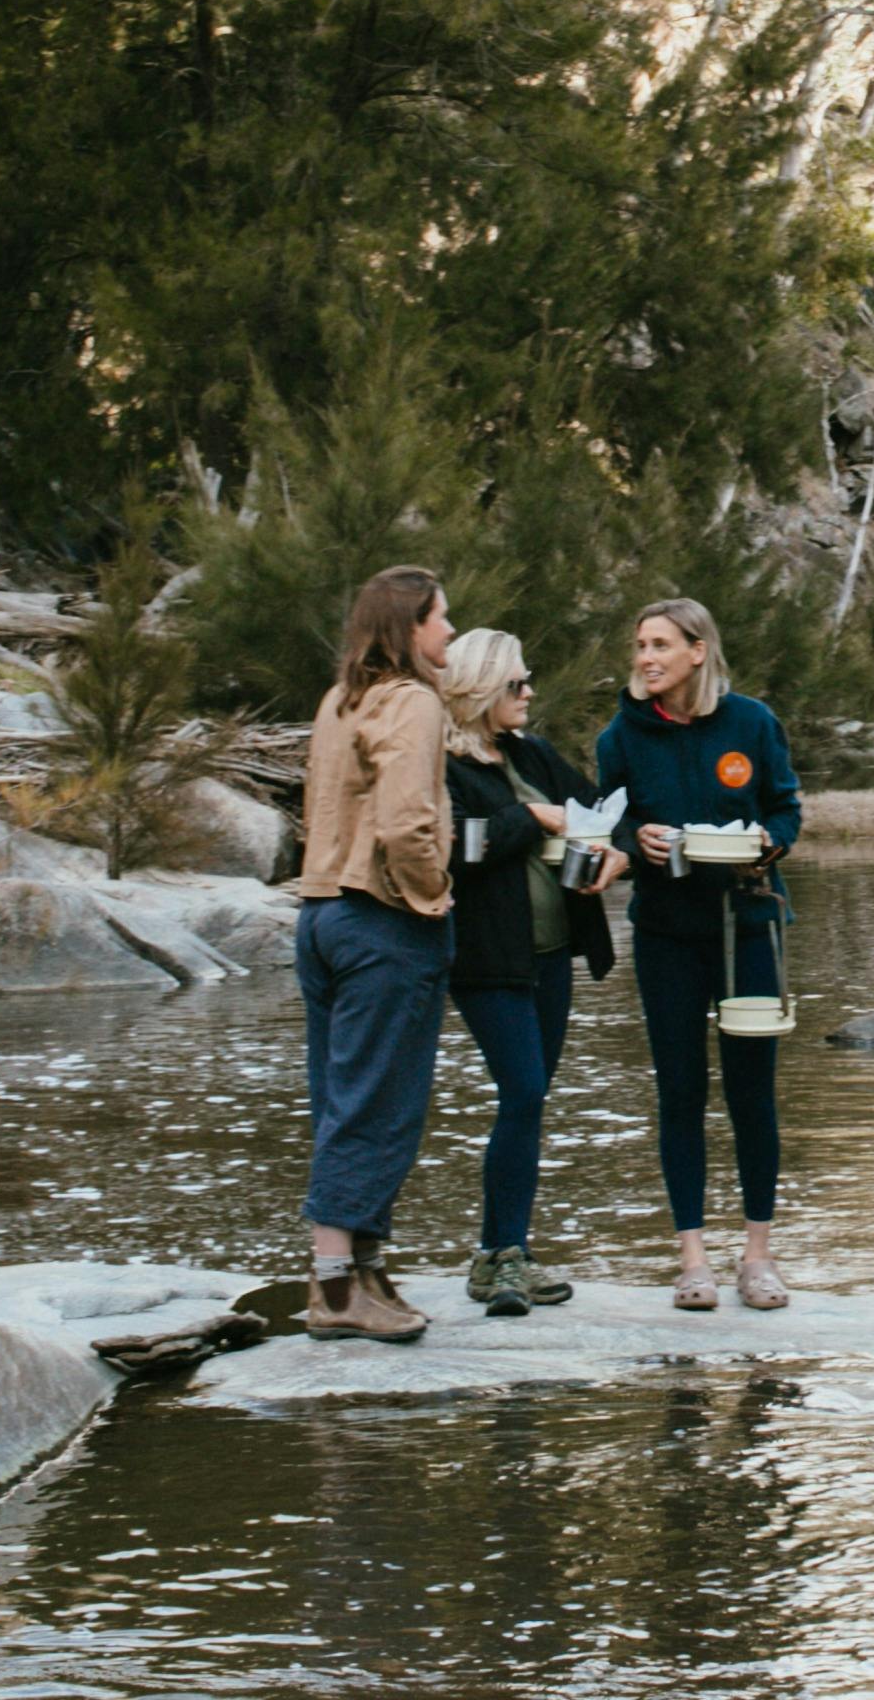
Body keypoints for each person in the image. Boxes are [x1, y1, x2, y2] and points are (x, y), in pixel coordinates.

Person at [598, 596, 801, 1312]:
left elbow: (785, 808)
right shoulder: (621, 735)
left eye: (660, 645)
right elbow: (606, 822)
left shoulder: (751, 722)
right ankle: (692, 1261)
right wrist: (634, 839)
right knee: (680, 1091)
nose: (646, 658)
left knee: (752, 1091)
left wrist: (770, 842)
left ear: (697, 651)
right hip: (666, 934)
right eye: (640, 646)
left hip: (749, 926)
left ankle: (758, 1257)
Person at [287, 564, 457, 1342]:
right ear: (409, 627)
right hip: (381, 921)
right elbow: (404, 821)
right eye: (440, 618)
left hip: (320, 914)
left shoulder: (340, 698)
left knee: (341, 1097)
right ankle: (333, 1288)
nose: (449, 632)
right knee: (379, 1104)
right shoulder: (414, 701)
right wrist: (433, 893)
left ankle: (362, 1270)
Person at [435, 627, 623, 1317]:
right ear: (482, 687)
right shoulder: (443, 766)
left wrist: (616, 853)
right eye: (517, 683)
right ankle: (498, 1255)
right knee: (522, 1089)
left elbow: (596, 808)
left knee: (532, 1098)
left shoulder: (531, 753)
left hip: (550, 954)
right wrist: (533, 816)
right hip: (487, 957)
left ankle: (509, 1248)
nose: (529, 692)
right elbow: (458, 849)